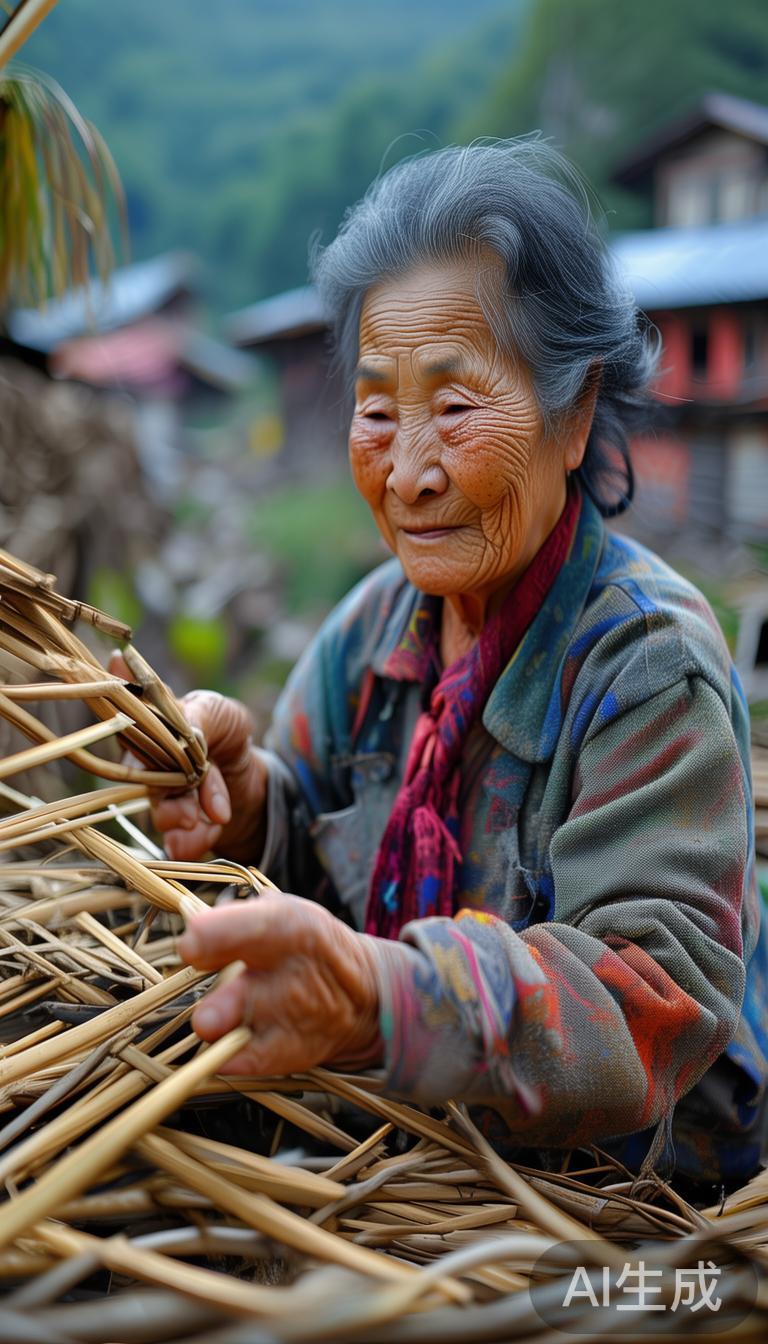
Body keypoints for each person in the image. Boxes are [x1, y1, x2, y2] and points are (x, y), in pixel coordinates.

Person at [132, 140, 768, 1186]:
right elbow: (309, 826)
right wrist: (246, 805)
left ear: (572, 416)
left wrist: (390, 995)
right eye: (378, 411)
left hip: (620, 1204)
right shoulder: (375, 629)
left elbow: (647, 1001)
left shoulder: (648, 667)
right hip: (414, 1153)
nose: (412, 469)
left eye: (457, 407)